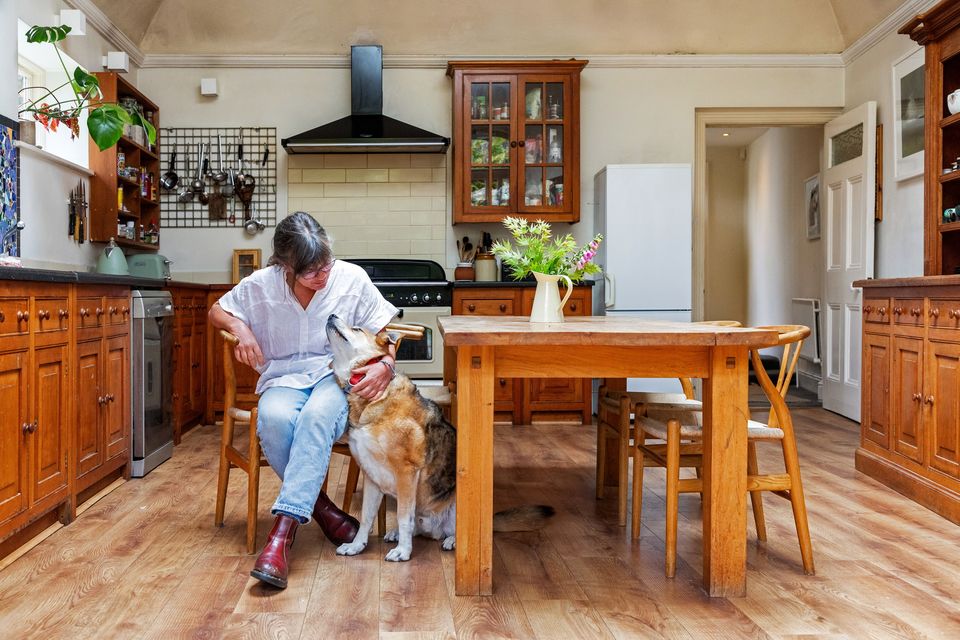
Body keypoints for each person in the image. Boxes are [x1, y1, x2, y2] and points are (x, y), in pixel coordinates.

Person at [208, 212, 398, 589]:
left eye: (325, 264)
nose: (322, 276)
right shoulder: (261, 285)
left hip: (336, 377)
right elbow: (217, 310)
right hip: (283, 378)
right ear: (285, 266)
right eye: (311, 272)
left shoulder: (350, 278)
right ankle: (324, 512)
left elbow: (384, 331)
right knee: (275, 420)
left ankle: (280, 535)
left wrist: (387, 365)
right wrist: (240, 328)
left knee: (315, 417)